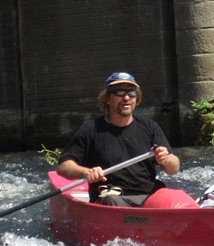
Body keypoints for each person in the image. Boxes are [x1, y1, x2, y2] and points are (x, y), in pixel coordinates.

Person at [56, 71, 180, 207]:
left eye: (132, 93)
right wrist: (86, 172)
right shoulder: (90, 130)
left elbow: (173, 169)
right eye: (119, 93)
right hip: (113, 197)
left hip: (149, 197)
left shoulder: (150, 127)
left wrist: (166, 159)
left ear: (136, 99)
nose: (126, 98)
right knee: (112, 201)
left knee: (174, 197)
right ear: (108, 99)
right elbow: (64, 167)